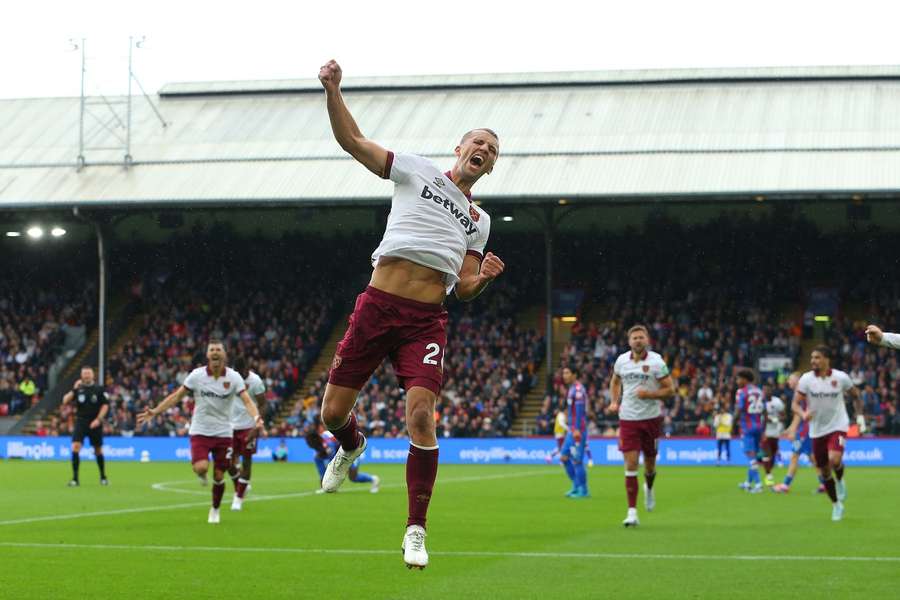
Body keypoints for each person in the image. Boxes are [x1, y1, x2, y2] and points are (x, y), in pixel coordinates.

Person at [317, 59, 504, 569]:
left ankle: (415, 529)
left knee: (422, 416)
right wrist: (333, 90)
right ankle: (351, 446)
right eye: (477, 143)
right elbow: (354, 142)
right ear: (459, 149)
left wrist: (482, 279)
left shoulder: (478, 220)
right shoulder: (416, 169)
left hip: (425, 320)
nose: (482, 150)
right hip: (378, 306)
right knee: (332, 415)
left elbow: (463, 289)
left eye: (491, 150)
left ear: (490, 167)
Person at [137, 340, 264, 524]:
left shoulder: (234, 378)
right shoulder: (196, 376)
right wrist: (156, 411)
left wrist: (256, 418)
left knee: (220, 475)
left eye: (218, 350)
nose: (215, 352)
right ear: (207, 355)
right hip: (200, 431)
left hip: (223, 433)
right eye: (212, 350)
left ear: (224, 355)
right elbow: (177, 396)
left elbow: (247, 401)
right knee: (201, 467)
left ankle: (215, 509)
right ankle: (201, 474)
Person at [609, 325, 675, 527]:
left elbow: (670, 390)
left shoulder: (656, 362)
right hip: (628, 418)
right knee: (630, 464)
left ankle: (649, 487)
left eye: (641, 337)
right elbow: (615, 382)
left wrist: (650, 395)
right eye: (634, 337)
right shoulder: (621, 361)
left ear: (647, 340)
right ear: (629, 342)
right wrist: (614, 401)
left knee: (650, 464)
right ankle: (632, 512)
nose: (638, 340)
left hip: (651, 419)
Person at [793, 346, 860, 521]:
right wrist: (803, 414)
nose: (813, 360)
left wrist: (859, 416)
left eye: (817, 357)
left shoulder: (840, 377)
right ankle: (836, 505)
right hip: (816, 430)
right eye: (812, 358)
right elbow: (795, 404)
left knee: (835, 460)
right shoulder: (806, 379)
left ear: (826, 359)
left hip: (838, 425)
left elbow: (856, 394)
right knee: (824, 471)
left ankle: (840, 480)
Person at [774, 372, 824, 494]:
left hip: (806, 430)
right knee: (813, 458)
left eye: (790, 379)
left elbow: (803, 413)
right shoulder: (804, 392)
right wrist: (791, 429)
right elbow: (799, 414)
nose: (788, 382)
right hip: (809, 428)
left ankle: (786, 485)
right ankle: (825, 483)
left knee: (795, 456)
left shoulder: (803, 393)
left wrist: (793, 431)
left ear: (798, 380)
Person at [229, 356, 267, 511]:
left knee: (246, 461)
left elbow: (263, 405)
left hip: (249, 426)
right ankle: (240, 485)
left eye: (242, 371)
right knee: (228, 463)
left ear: (247, 369)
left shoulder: (256, 381)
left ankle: (238, 498)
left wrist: (257, 426)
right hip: (229, 426)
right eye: (237, 371)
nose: (239, 374)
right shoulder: (230, 378)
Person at [61, 366, 109, 487]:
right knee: (75, 447)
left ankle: (103, 477)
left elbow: (105, 406)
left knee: (98, 450)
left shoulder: (99, 389)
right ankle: (75, 479)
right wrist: (74, 389)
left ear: (93, 375)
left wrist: (98, 419)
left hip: (95, 423)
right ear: (81, 376)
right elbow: (64, 401)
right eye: (84, 374)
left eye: (88, 373)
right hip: (81, 422)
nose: (86, 376)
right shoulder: (78, 389)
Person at [734, 369, 765, 493]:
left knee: (751, 456)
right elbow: (764, 410)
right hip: (759, 425)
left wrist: (732, 423)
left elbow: (739, 409)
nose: (737, 381)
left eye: (738, 379)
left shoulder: (743, 392)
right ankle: (748, 482)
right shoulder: (759, 391)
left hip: (747, 427)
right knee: (754, 456)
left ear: (744, 379)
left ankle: (758, 485)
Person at [559, 367, 589, 498]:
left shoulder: (578, 390)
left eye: (567, 373)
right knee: (564, 457)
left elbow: (580, 411)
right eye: (563, 373)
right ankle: (576, 486)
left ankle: (584, 491)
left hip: (578, 430)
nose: (564, 375)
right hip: (572, 429)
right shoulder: (571, 389)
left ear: (574, 374)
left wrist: (577, 429)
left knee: (577, 460)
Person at [761, 385, 786, 488]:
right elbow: (760, 417)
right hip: (765, 431)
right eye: (764, 391)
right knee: (767, 454)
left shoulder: (777, 402)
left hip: (775, 431)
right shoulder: (761, 403)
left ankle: (769, 472)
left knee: (773, 454)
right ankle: (768, 475)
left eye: (767, 390)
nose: (765, 393)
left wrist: (777, 419)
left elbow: (784, 415)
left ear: (771, 391)